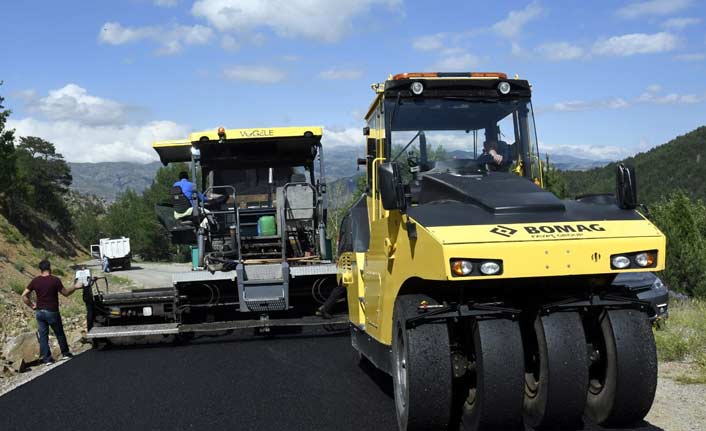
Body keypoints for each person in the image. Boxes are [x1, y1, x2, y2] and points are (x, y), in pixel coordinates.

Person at [21, 260, 82, 364]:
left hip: (39, 312)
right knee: (59, 333)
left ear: (40, 269)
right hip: (52, 311)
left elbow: (23, 295)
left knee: (43, 336)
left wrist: (31, 305)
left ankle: (47, 359)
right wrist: (75, 287)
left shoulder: (35, 281)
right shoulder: (55, 280)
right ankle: (65, 353)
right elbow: (66, 293)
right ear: (50, 268)